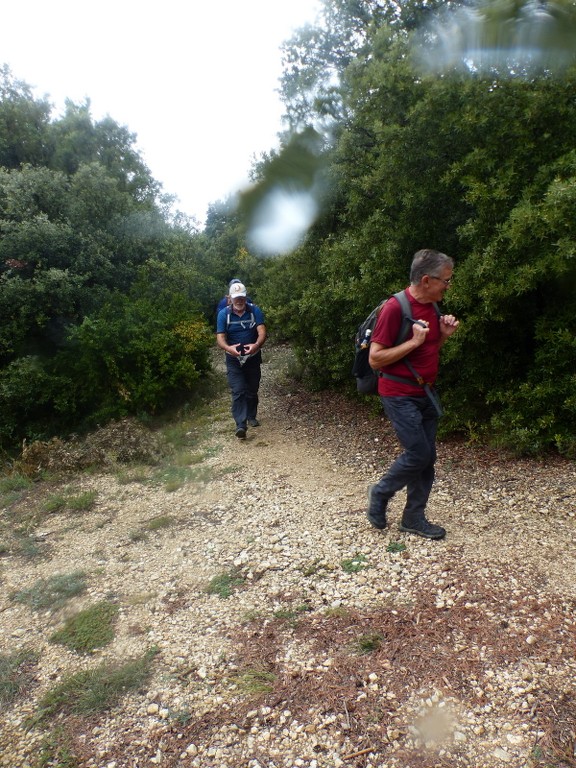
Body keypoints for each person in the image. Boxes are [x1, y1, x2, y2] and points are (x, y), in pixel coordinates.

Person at [366, 249, 459, 540]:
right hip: (398, 392)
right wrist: (414, 341)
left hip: (425, 392)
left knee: (426, 457)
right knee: (419, 452)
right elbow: (375, 359)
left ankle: (413, 518)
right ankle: (381, 493)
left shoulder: (432, 307)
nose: (448, 285)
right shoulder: (395, 308)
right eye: (446, 280)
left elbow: (429, 351)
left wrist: (442, 334)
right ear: (427, 279)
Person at [216, 282, 266, 439]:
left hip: (252, 356)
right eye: (236, 298)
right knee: (238, 390)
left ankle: (251, 416)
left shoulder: (255, 311)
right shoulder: (223, 314)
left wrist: (256, 345)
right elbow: (220, 337)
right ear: (230, 298)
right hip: (233, 358)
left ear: (245, 297)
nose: (239, 301)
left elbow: (262, 331)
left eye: (241, 297)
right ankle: (241, 425)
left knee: (252, 388)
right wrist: (228, 349)